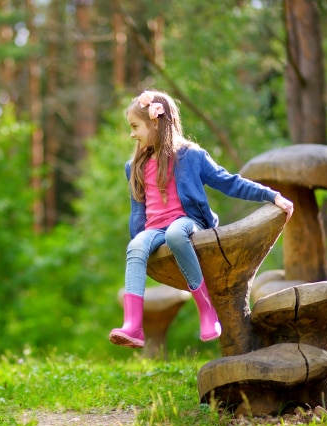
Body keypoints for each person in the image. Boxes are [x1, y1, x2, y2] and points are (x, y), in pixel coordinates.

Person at [109, 90, 294, 348]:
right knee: (135, 246)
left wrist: (270, 195)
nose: (132, 134)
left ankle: (206, 311)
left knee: (175, 233)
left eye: (135, 126)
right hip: (154, 229)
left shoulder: (190, 156)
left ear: (155, 123)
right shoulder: (135, 166)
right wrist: (140, 242)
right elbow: (137, 212)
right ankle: (133, 325)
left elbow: (229, 182)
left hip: (188, 222)